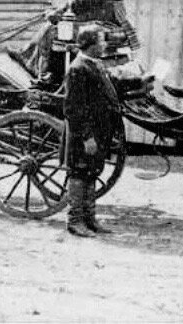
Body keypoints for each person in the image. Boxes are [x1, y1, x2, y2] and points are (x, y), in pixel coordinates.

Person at [63, 25, 123, 237]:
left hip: (98, 132)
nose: (104, 44)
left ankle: (90, 219)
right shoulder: (78, 69)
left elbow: (113, 87)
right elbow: (73, 108)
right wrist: (87, 137)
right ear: (89, 44)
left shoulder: (95, 65)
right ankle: (75, 221)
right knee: (79, 174)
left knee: (92, 173)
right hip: (84, 135)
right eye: (101, 41)